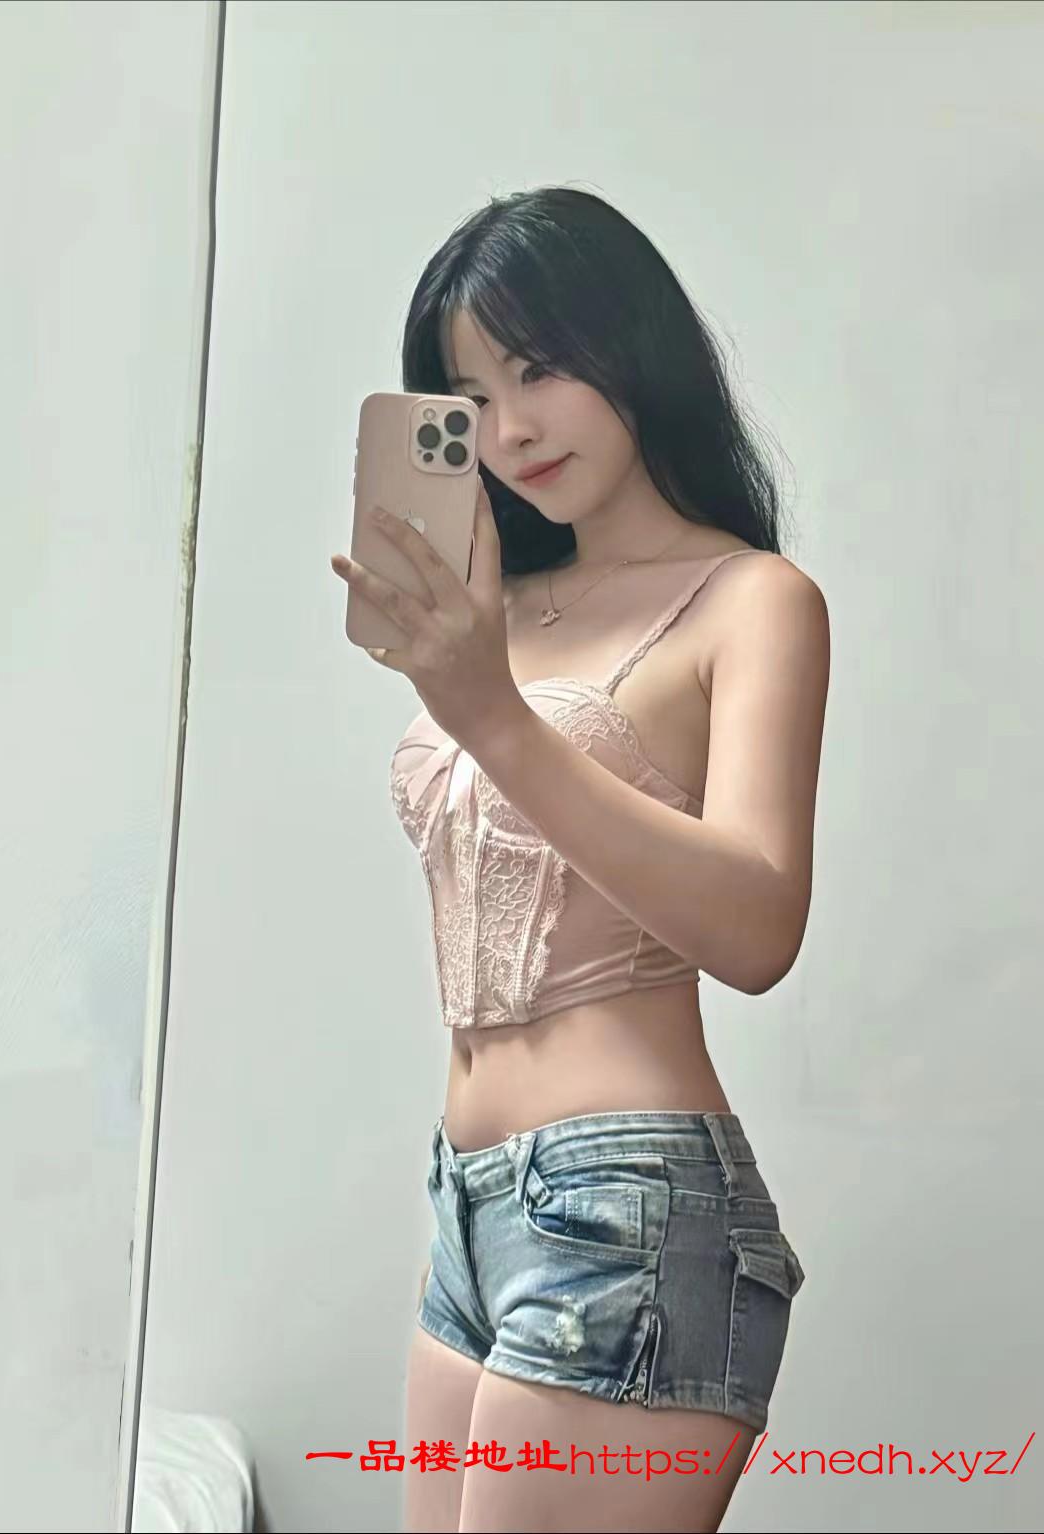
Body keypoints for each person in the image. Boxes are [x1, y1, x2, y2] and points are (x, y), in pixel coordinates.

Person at [331, 186, 829, 1534]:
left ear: (634, 346)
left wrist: (491, 713)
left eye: (539, 368)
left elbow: (758, 929)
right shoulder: (499, 610)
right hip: (469, 1200)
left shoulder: (750, 601)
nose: (510, 429)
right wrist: (470, 668)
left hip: (630, 1199)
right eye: (469, 396)